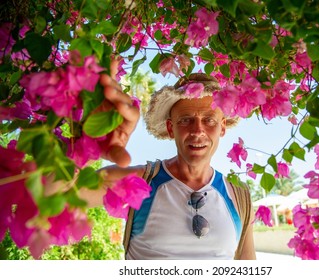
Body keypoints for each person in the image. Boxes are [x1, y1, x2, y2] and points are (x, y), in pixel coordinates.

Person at [81, 69, 256, 260]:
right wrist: (92, 145)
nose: (198, 131)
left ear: (222, 127)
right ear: (171, 128)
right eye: (186, 120)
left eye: (209, 120)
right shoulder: (138, 181)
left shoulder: (239, 195)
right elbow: (59, 194)